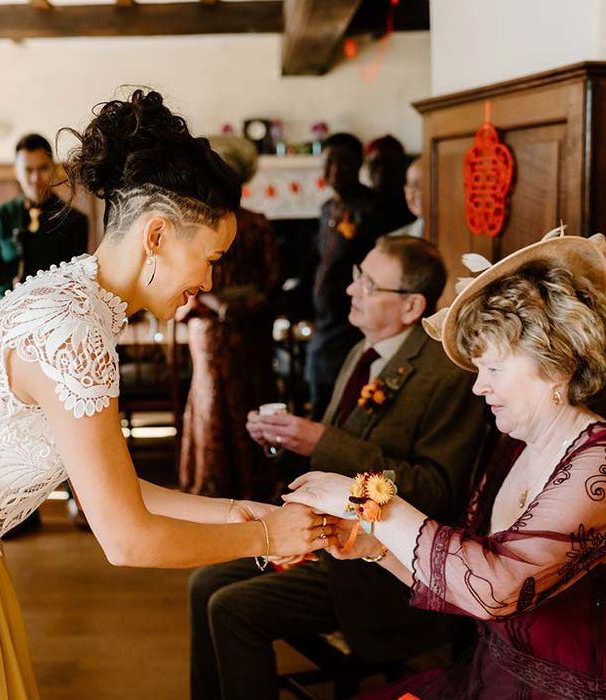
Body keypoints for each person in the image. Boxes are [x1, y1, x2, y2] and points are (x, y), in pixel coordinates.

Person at [0, 89, 330, 700]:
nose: (209, 281)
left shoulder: (78, 298)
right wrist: (267, 539)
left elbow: (111, 487)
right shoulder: (75, 332)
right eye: (210, 258)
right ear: (158, 235)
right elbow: (125, 538)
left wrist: (243, 513)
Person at [285, 229, 606, 699]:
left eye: (493, 368)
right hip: (491, 681)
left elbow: (496, 588)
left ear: (556, 364)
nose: (477, 387)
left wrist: (359, 496)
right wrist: (373, 546)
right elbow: (465, 582)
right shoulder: (514, 449)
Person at [188, 235, 488, 700]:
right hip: (330, 538)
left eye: (369, 284)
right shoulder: (363, 350)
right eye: (355, 277)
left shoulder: (447, 374)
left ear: (411, 307)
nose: (351, 291)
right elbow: (331, 450)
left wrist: (320, 440)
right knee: (204, 580)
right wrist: (284, 439)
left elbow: (435, 489)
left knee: (232, 607)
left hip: (380, 567)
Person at [179, 135, 282, 500]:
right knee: (219, 398)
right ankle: (237, 486)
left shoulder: (212, 225)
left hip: (233, 329)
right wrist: (225, 305)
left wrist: (220, 305)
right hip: (222, 329)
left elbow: (271, 284)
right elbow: (273, 284)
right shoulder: (252, 224)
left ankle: (216, 485)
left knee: (230, 399)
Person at [305, 132, 383, 420]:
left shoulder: (371, 207)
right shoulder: (327, 208)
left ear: (359, 164)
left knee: (343, 402)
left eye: (345, 163)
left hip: (352, 321)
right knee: (318, 396)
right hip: (325, 321)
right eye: (329, 163)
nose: (336, 171)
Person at [0, 133, 89, 298]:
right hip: (10, 311)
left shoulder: (75, 220)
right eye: (28, 170)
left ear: (54, 168)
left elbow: (77, 278)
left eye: (43, 168)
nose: (35, 178)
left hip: (55, 311)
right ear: (16, 172)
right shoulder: (1, 216)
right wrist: (9, 287)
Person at [364, 135, 415, 236]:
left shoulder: (413, 201)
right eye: (375, 163)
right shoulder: (361, 202)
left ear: (402, 165)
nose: (382, 169)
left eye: (389, 163)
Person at [388, 155, 424, 239]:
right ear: (406, 191)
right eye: (414, 186)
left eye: (427, 185)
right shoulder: (394, 242)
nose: (420, 193)